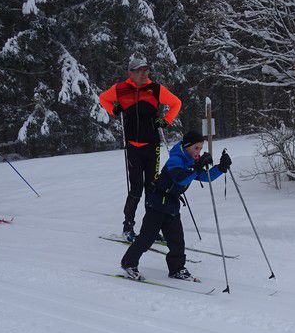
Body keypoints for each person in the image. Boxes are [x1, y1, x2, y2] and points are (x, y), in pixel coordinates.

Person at [121, 131, 232, 281]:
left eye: (200, 148)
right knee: (146, 238)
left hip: (172, 205)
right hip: (157, 203)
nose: (198, 151)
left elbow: (205, 177)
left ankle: (177, 269)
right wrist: (197, 166)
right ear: (187, 147)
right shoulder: (176, 159)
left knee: (177, 241)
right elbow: (180, 178)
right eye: (196, 148)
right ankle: (128, 264)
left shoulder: (193, 160)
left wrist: (221, 167)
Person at [99, 54, 182, 241]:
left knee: (152, 188)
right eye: (139, 71)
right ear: (131, 73)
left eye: (146, 70)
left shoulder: (155, 89)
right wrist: (114, 110)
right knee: (136, 188)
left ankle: (150, 229)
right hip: (132, 148)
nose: (144, 74)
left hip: (152, 146)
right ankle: (128, 226)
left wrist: (166, 120)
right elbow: (103, 98)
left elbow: (176, 103)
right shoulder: (120, 89)